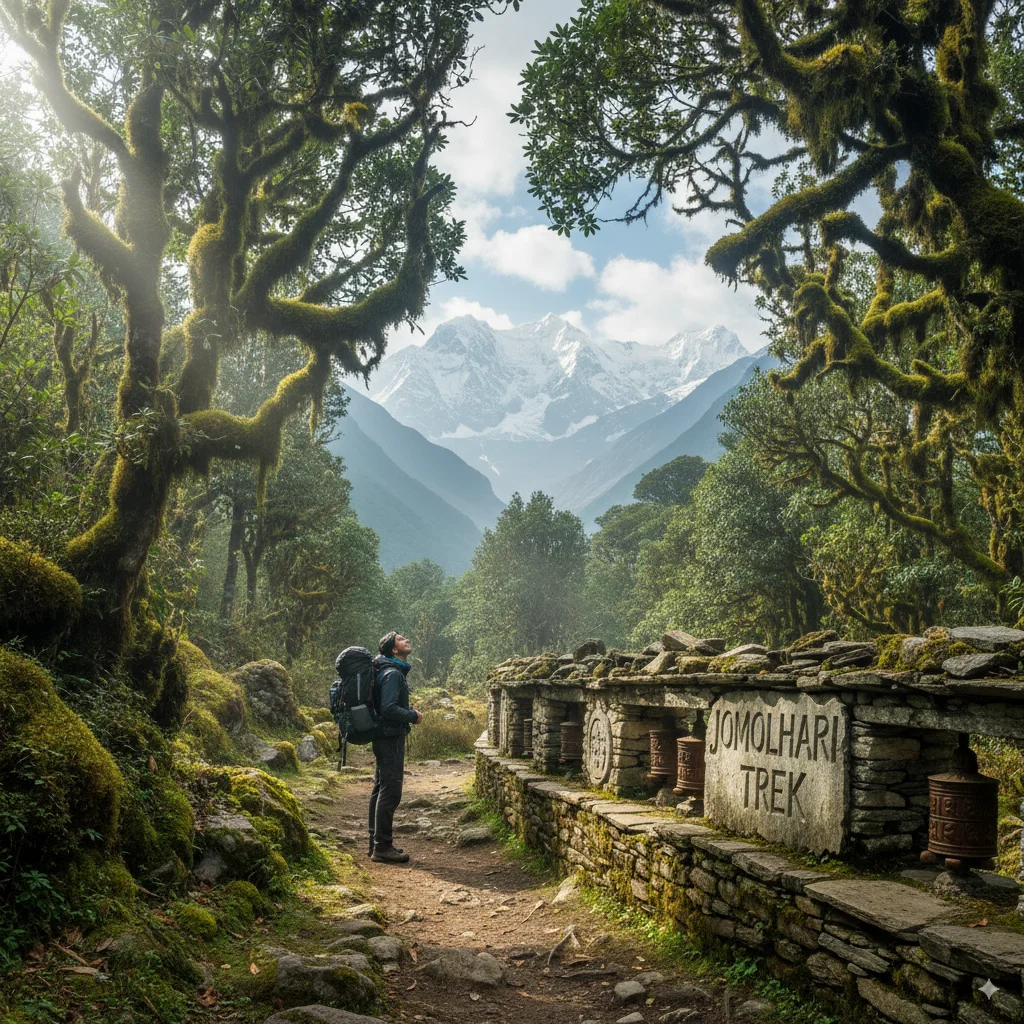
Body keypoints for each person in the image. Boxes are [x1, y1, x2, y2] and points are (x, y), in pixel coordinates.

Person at [368, 631, 422, 863]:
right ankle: (382, 847)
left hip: (383, 736)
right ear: (393, 649)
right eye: (401, 639)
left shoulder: (387, 670)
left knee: (380, 788)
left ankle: (377, 842)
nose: (406, 640)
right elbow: (388, 709)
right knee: (390, 791)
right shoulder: (392, 673)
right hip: (390, 737)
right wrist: (413, 715)